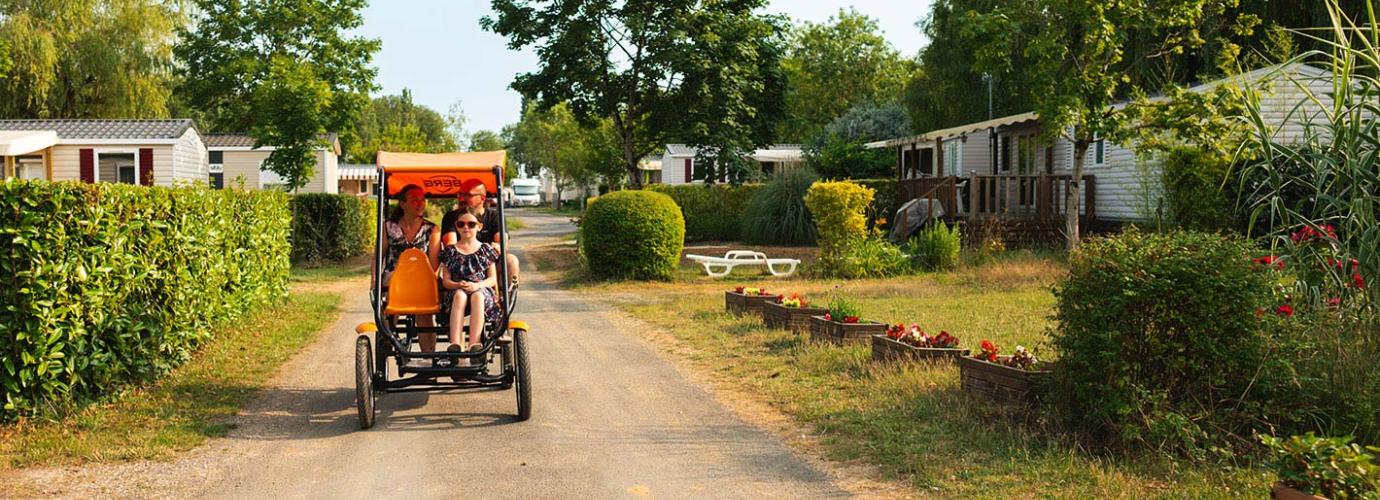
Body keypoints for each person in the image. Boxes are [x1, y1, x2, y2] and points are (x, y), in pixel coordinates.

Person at [372, 184, 443, 356]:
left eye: (422, 200)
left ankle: (428, 357)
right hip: (394, 277)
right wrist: (374, 280)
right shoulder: (388, 227)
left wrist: (430, 284)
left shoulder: (431, 229)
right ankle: (388, 336)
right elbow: (378, 257)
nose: (420, 204)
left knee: (425, 312)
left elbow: (434, 265)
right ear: (402, 204)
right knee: (389, 298)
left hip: (422, 278)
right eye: (414, 200)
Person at [438, 211, 501, 363]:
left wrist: (476, 285)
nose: (466, 228)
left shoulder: (486, 250)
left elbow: (492, 279)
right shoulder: (450, 251)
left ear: (479, 227)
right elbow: (446, 281)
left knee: (478, 295)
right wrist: (458, 284)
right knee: (459, 295)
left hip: (481, 289)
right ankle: (455, 344)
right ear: (456, 227)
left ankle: (474, 344)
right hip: (457, 290)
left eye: (471, 224)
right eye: (461, 224)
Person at [441, 179, 520, 285]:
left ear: (482, 198)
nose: (461, 198)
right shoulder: (451, 217)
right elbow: (450, 244)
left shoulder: (495, 217)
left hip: (489, 265)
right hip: (460, 266)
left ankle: (504, 297)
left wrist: (488, 254)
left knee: (511, 260)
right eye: (460, 194)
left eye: (468, 195)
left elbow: (502, 245)